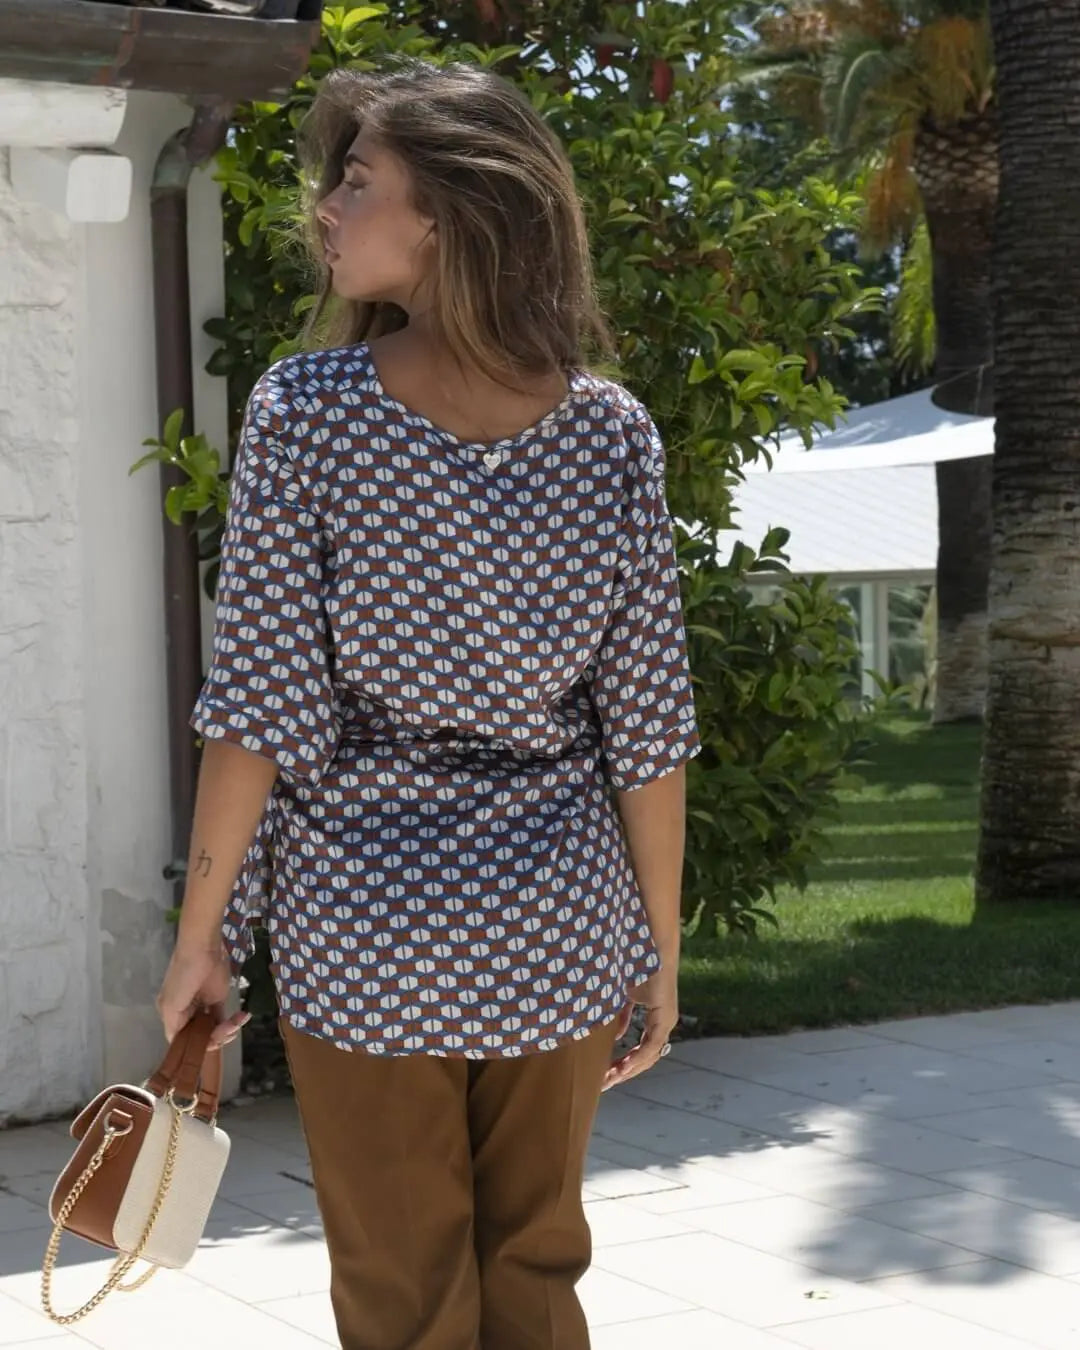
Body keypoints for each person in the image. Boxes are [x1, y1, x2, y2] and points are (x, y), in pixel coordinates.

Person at [155, 57, 701, 1350]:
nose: (326, 208)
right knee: (538, 1276)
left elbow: (260, 709)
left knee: (404, 1297)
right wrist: (658, 950)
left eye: (357, 182)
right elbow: (648, 728)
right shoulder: (611, 431)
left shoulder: (309, 411)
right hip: (558, 923)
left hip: (369, 934)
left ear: (446, 217)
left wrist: (201, 933)